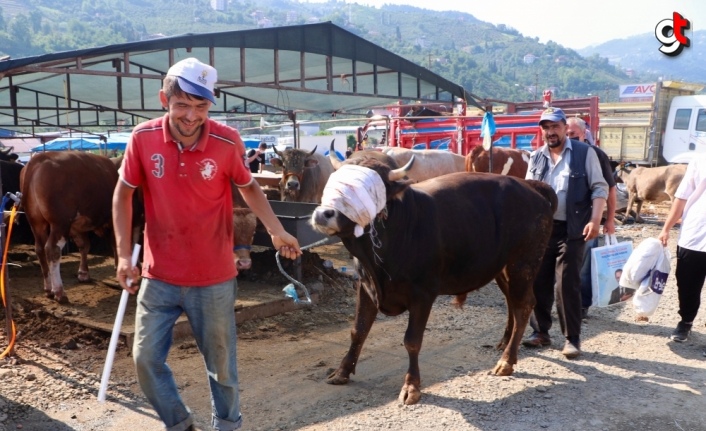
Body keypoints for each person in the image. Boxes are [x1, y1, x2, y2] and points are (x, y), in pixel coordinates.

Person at [112, 57, 302, 431]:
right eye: (182, 104)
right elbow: (122, 195)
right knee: (144, 360)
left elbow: (248, 187)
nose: (191, 115)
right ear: (163, 99)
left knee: (222, 367)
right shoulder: (143, 138)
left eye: (201, 106)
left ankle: (227, 426)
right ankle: (180, 423)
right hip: (159, 275)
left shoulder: (226, 140)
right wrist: (122, 254)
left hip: (214, 278)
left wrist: (276, 231)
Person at [522, 107, 608, 359]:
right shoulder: (536, 157)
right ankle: (540, 332)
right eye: (545, 128)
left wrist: (596, 220)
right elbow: (527, 193)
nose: (550, 132)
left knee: (566, 283)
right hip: (542, 231)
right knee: (538, 282)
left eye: (555, 126)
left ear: (564, 127)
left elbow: (599, 187)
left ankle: (572, 338)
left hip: (573, 229)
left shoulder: (584, 153)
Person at [566, 117, 617, 318]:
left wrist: (609, 219)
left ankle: (581, 305)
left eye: (574, 134)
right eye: (567, 134)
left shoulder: (595, 154)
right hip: (561, 221)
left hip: (587, 220)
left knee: (584, 266)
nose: (570, 138)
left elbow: (609, 189)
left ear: (584, 133)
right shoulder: (558, 153)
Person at [658, 153, 706, 344]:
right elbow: (682, 196)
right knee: (686, 284)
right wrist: (666, 228)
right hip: (695, 233)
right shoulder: (700, 159)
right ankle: (686, 320)